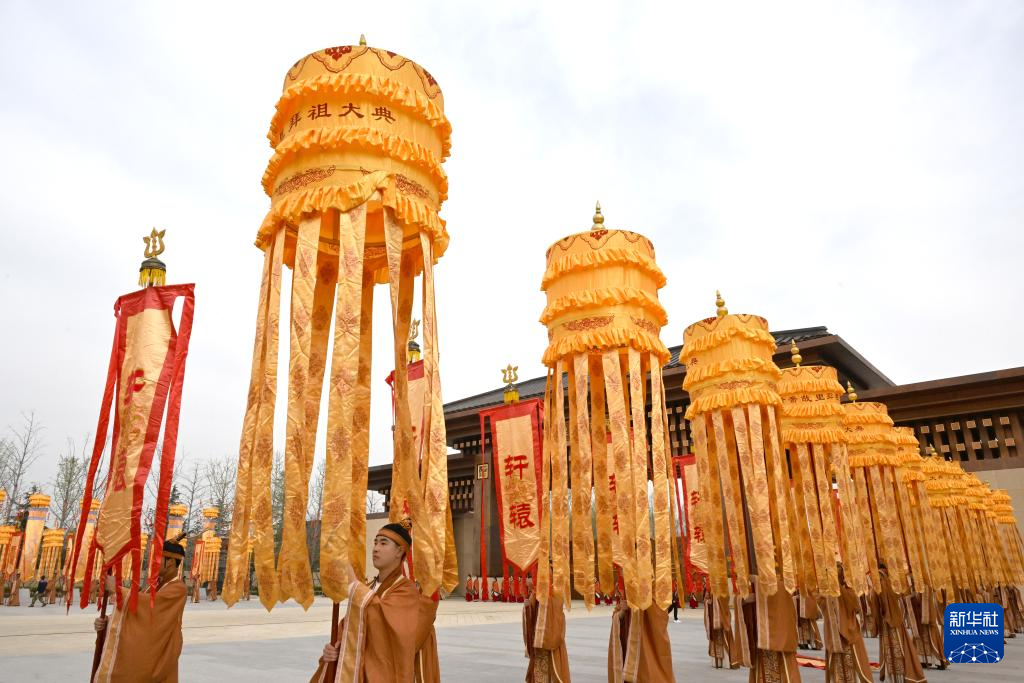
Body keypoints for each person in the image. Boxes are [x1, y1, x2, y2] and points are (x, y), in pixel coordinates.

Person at [312, 522, 440, 683]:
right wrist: (336, 648)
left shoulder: (406, 591)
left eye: (383, 543)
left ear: (399, 551)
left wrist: (353, 585)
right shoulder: (369, 587)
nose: (376, 548)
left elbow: (385, 628)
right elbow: (351, 626)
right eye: (375, 542)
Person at [93, 538, 189, 681]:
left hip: (161, 653)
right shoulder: (153, 586)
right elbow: (136, 613)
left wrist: (118, 590)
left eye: (157, 560)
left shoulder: (178, 589)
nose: (153, 564)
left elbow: (150, 606)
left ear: (169, 562)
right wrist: (107, 623)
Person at [738, 575, 802, 683]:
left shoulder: (782, 574)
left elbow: (782, 588)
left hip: (778, 631)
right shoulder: (749, 575)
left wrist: (758, 583)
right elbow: (740, 596)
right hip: (760, 631)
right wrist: (744, 600)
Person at [608, 589, 675, 682]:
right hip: (629, 640)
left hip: (648, 642)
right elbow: (618, 611)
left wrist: (639, 603)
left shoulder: (656, 585)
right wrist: (621, 612)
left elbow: (662, 610)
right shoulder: (627, 586)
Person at [876, 564, 926, 683]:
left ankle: (901, 673)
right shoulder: (891, 584)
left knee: (898, 648)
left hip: (891, 621)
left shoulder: (884, 585)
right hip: (891, 621)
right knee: (895, 648)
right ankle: (896, 674)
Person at [822, 564, 872, 683]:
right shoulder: (840, 591)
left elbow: (854, 606)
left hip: (842, 634)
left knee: (846, 664)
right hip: (839, 633)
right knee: (843, 665)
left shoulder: (841, 591)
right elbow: (855, 606)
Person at [522, 575, 571, 682]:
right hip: (538, 642)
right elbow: (531, 611)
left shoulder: (556, 592)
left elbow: (557, 613)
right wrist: (528, 605)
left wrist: (544, 599)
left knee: (553, 672)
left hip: (552, 642)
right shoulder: (536, 592)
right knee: (539, 673)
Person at [703, 579, 740, 669]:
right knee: (715, 638)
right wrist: (708, 601)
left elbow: (725, 599)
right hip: (713, 615)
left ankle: (727, 661)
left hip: (722, 615)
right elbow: (706, 598)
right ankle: (717, 660)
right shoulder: (710, 585)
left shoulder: (723, 586)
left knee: (725, 637)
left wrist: (715, 599)